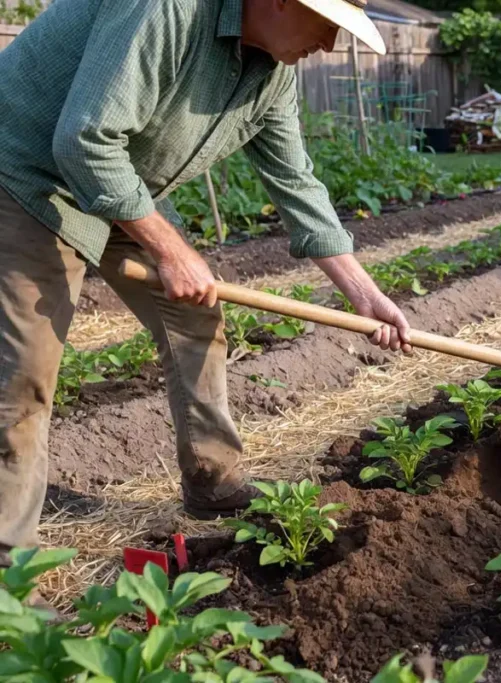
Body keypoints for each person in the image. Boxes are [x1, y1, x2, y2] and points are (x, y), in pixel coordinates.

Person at [0, 0, 411, 580]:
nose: (329, 46)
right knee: (24, 375)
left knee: (195, 317)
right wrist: (171, 250)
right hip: (23, 173)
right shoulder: (167, 10)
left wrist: (364, 293)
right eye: (327, 25)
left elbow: (295, 181)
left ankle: (213, 480)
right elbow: (85, 140)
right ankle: (10, 572)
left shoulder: (270, 73)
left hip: (115, 183)